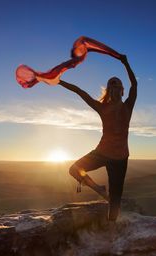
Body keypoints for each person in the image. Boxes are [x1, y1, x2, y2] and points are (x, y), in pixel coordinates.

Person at [58, 54, 137, 221]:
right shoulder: (102, 107)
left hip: (121, 158)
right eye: (111, 86)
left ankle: (112, 228)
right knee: (74, 169)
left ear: (122, 90)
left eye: (117, 86)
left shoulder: (128, 106)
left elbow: (135, 84)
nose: (115, 88)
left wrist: (126, 63)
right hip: (102, 152)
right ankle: (98, 189)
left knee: (115, 201)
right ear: (109, 90)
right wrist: (58, 81)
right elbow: (80, 92)